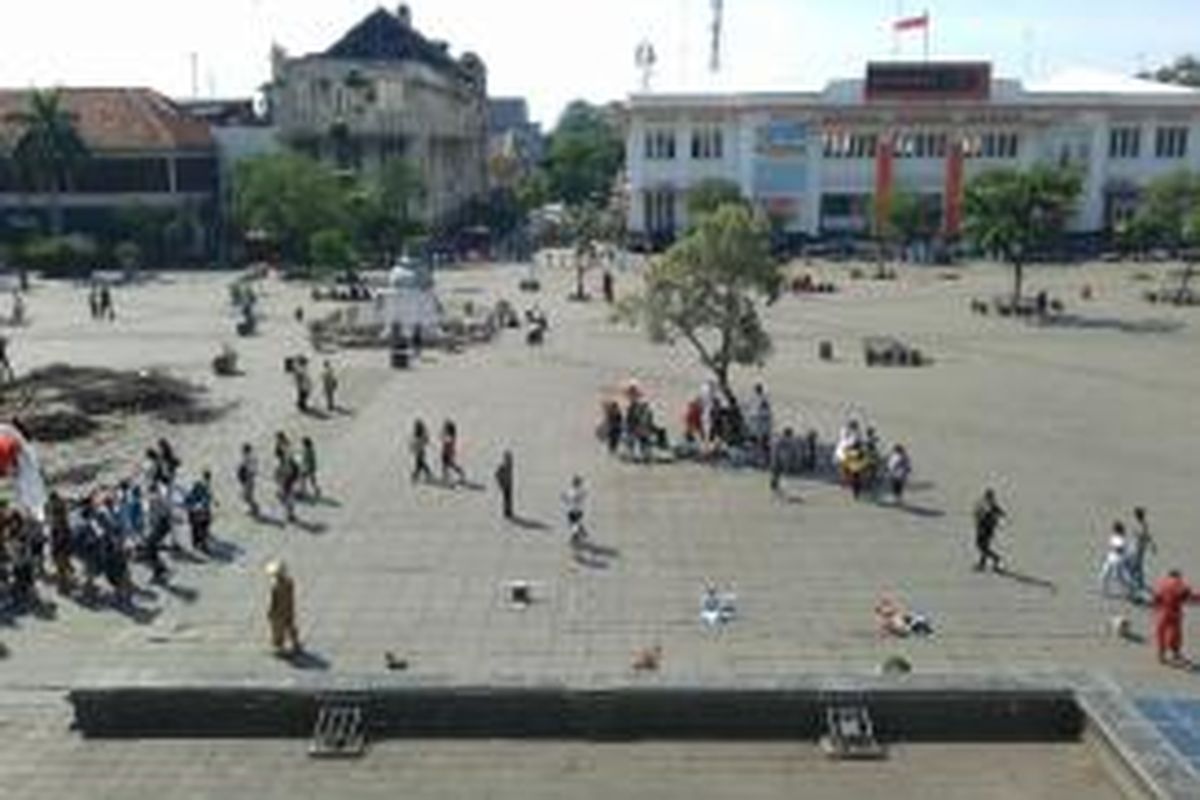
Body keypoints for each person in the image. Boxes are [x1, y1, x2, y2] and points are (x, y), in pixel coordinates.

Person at [1153, 569, 1195, 665]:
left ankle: (1161, 654)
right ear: (1178, 576)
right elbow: (1186, 595)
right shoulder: (1179, 584)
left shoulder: (1162, 583)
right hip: (1175, 612)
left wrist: (1156, 608)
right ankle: (1175, 652)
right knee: (1175, 634)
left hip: (1162, 612)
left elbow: (1156, 597)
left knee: (1161, 634)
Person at [266, 560, 301, 656]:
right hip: (288, 608)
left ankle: (280, 648)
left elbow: (274, 601)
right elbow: (291, 595)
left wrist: (270, 612)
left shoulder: (275, 586)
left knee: (278, 630)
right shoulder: (289, 582)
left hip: (278, 612)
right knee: (290, 626)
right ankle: (296, 643)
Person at [46, 492, 74, 594]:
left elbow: (58, 538)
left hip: (61, 546)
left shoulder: (59, 523)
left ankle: (64, 586)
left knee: (61, 567)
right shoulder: (62, 522)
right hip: (62, 545)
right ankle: (65, 585)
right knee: (62, 567)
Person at [972, 488, 1006, 572]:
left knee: (982, 546)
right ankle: (983, 564)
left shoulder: (991, 506)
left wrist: (991, 518)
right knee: (983, 546)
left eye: (988, 496)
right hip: (983, 528)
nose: (987, 497)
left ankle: (996, 559)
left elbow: (999, 514)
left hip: (986, 529)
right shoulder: (987, 505)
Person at [1100, 522, 1133, 598]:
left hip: (1118, 560)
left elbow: (1121, 549)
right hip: (1111, 558)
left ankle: (1129, 591)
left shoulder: (1122, 539)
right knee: (1105, 574)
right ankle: (1104, 590)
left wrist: (1126, 560)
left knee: (1120, 577)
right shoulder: (1114, 537)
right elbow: (1114, 548)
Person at [1128, 506, 1156, 594]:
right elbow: (1146, 536)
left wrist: (1152, 545)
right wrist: (1152, 545)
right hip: (1138, 548)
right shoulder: (1143, 524)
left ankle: (1134, 584)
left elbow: (1144, 536)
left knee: (1134, 567)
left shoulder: (1141, 525)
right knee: (1138, 566)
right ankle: (1140, 583)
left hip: (1137, 548)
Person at [185, 471, 214, 554]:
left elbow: (207, 499)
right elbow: (190, 498)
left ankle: (200, 544)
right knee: (198, 528)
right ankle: (198, 543)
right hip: (196, 512)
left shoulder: (205, 486)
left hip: (201, 512)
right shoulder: (199, 486)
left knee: (202, 528)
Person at [562, 474, 587, 547]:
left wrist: (564, 497)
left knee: (573, 523)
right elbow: (583, 496)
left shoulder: (572, 491)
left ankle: (575, 536)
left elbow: (568, 499)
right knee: (575, 522)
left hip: (573, 510)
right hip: (579, 510)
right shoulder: (581, 490)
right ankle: (581, 530)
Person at [770, 427, 796, 493]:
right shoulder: (783, 440)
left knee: (778, 473)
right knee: (777, 473)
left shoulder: (785, 440)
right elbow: (777, 450)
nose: (792, 435)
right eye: (791, 433)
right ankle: (775, 485)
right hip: (780, 459)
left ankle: (775, 485)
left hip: (780, 459)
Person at [237, 443, 260, 517]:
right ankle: (254, 508)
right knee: (247, 495)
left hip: (248, 479)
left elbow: (251, 469)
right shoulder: (249, 457)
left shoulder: (249, 458)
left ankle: (255, 508)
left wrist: (247, 475)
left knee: (247, 496)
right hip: (248, 478)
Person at [440, 419, 466, 485]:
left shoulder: (450, 436)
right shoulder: (450, 435)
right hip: (447, 452)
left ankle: (448, 479)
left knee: (448, 466)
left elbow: (445, 441)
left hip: (447, 453)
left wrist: (443, 433)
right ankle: (448, 478)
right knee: (448, 466)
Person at [410, 419, 433, 483]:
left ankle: (417, 475)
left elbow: (425, 441)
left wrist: (414, 448)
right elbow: (417, 442)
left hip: (420, 452)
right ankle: (424, 474)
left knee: (420, 464)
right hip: (419, 451)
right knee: (420, 464)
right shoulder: (418, 434)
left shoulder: (421, 434)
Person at [494, 450, 515, 520]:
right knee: (506, 498)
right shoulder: (503, 466)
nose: (510, 460)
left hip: (509, 483)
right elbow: (497, 474)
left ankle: (508, 510)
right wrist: (501, 482)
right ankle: (507, 511)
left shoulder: (510, 465)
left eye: (510, 459)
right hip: (505, 484)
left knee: (508, 498)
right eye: (508, 458)